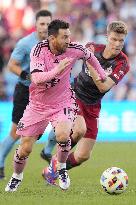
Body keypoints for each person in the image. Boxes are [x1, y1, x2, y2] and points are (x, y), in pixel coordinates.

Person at [5, 19, 106, 192]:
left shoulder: (74, 49)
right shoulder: (38, 50)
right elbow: (36, 78)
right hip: (37, 105)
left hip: (62, 101)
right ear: (52, 38)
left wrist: (102, 74)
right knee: (25, 149)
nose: (68, 40)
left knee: (63, 134)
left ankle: (61, 167)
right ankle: (17, 176)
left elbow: (90, 56)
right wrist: (57, 70)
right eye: (64, 37)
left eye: (69, 36)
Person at [43, 21, 130, 179]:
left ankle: (52, 170)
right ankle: (56, 167)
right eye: (114, 39)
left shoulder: (122, 63)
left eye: (121, 40)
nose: (117, 44)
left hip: (93, 105)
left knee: (83, 155)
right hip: (74, 94)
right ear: (107, 37)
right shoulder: (92, 47)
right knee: (79, 130)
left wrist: (90, 62)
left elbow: (103, 87)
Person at [0, 10, 52, 179]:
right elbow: (12, 65)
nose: (45, 27)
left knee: (62, 126)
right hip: (25, 92)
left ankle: (49, 155)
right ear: (36, 25)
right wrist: (28, 76)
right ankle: (0, 162)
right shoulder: (25, 43)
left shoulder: (54, 42)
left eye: (48, 24)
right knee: (15, 133)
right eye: (42, 24)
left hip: (46, 93)